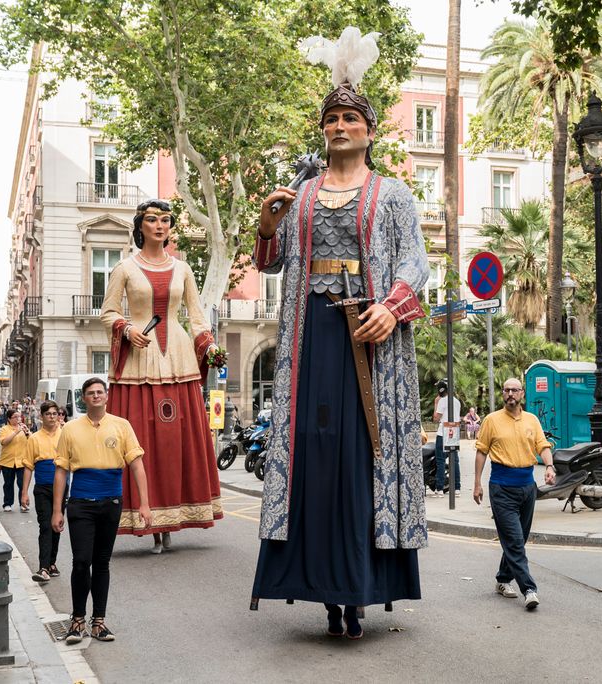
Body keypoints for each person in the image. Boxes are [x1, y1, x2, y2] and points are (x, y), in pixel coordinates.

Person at [250, 28, 428, 639]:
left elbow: (415, 263)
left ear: (370, 131)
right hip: (310, 343)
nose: (340, 126)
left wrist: (393, 308)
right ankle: (320, 586)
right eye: (332, 118)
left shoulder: (395, 195)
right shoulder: (298, 196)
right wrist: (267, 224)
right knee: (313, 458)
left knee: (361, 457)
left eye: (351, 117)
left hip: (370, 344)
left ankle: (360, 585)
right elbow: (270, 262)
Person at [101, 198, 223, 553]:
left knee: (176, 440)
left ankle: (174, 516)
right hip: (139, 359)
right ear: (140, 226)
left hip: (179, 359)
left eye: (166, 220)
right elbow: (108, 312)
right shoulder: (124, 268)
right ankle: (145, 516)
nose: (160, 226)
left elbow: (197, 317)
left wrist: (209, 345)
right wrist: (125, 329)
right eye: (152, 219)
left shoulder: (183, 269)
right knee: (141, 440)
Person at [52, 378, 152, 644]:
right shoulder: (70, 429)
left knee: (102, 562)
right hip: (80, 503)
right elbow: (61, 471)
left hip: (111, 502)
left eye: (99, 392)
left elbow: (137, 466)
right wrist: (56, 510)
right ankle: (77, 621)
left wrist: (144, 503)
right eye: (90, 393)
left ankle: (99, 622)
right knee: (81, 561)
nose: (95, 396)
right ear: (83, 398)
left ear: (106, 396)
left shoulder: (122, 426)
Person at [472, 378, 555, 611]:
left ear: (522, 394)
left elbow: (543, 446)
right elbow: (481, 452)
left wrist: (549, 467)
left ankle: (502, 579)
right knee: (515, 541)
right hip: (501, 487)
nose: (510, 394)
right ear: (503, 394)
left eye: (514, 390)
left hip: (528, 487)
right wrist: (477, 484)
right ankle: (529, 589)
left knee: (518, 538)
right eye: (506, 390)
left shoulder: (532, 419)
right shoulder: (491, 420)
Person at [21, 401, 66, 582]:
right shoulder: (34, 438)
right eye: (48, 414)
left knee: (57, 525)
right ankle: (43, 567)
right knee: (45, 526)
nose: (52, 417)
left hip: (61, 488)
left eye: (55, 414)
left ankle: (52, 562)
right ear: (41, 416)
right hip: (42, 488)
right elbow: (28, 466)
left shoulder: (65, 436)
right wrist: (24, 492)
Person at [0, 408, 30, 512]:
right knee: (8, 483)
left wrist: (27, 433)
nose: (18, 419)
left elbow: (31, 441)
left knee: (22, 483)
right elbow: (4, 442)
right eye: (15, 417)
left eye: (19, 416)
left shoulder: (23, 428)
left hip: (21, 461)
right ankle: (7, 503)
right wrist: (16, 432)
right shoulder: (4, 429)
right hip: (7, 461)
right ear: (9, 419)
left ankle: (23, 503)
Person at [433, 379, 462, 495]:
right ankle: (457, 488)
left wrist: (436, 403)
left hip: (443, 432)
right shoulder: (457, 401)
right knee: (454, 460)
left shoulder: (442, 401)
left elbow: (436, 418)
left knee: (440, 460)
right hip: (454, 430)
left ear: (441, 389)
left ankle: (439, 488)